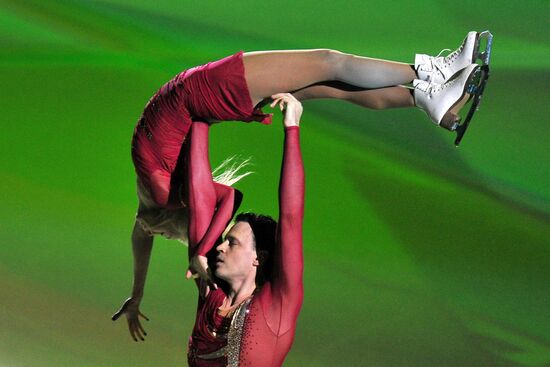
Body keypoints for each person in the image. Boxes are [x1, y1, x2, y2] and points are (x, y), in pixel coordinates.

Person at [112, 31, 489, 363]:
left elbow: (144, 234)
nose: (220, 248)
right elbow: (263, 207)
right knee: (328, 63)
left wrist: (140, 291)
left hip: (198, 102)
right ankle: (431, 74)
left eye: (225, 241)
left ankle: (428, 99)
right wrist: (291, 129)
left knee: (323, 86)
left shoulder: (184, 255)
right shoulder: (271, 297)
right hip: (199, 95)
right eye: (229, 241)